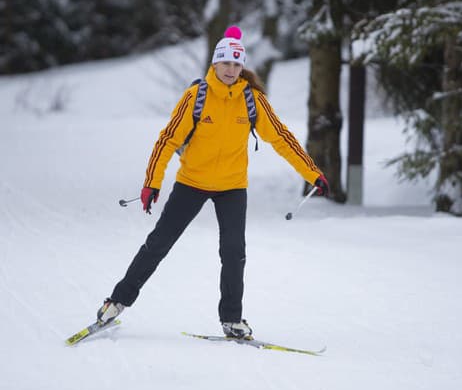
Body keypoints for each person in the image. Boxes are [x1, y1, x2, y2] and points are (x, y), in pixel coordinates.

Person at [96, 26, 329, 339]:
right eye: (226, 63)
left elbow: (282, 138)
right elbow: (167, 140)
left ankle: (232, 319)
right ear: (215, 64)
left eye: (237, 64)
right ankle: (117, 302)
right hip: (192, 181)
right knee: (159, 244)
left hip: (232, 186)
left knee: (234, 252)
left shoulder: (252, 100)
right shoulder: (197, 96)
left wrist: (312, 173)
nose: (231, 70)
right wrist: (152, 183)